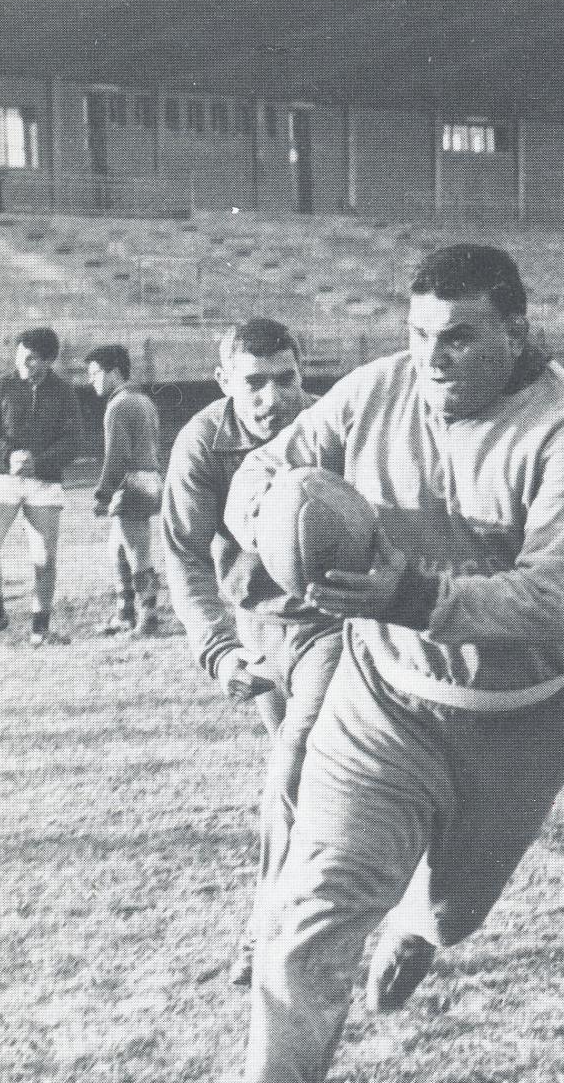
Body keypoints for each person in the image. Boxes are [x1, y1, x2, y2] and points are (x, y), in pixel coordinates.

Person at [198, 246, 564, 1083]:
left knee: (459, 902)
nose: (434, 358)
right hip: (384, 696)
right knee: (320, 893)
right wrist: (277, 513)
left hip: (525, 714)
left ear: (516, 330)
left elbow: (555, 595)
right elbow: (250, 483)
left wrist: (408, 594)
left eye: (461, 338)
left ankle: (427, 926)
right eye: (420, 334)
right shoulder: (373, 392)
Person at [162, 318, 428, 993]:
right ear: (225, 382)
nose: (271, 395)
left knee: (296, 765)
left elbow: (395, 521)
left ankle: (269, 930)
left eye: (285, 377)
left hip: (331, 625)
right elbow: (185, 557)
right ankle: (367, 909)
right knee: (312, 789)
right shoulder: (202, 443)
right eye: (253, 382)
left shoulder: (327, 428)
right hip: (257, 634)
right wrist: (218, 650)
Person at [0, 326, 82, 648]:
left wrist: (40, 463)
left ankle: (40, 628)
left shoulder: (64, 392)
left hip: (44, 484)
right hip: (2, 478)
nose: (23, 364)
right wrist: (7, 454)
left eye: (31, 359)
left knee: (44, 557)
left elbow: (74, 440)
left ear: (48, 360)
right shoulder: (0, 385)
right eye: (19, 356)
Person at [86, 344, 163, 637]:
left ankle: (148, 618)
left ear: (114, 373)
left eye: (95, 373)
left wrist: (103, 494)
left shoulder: (118, 405)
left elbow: (116, 456)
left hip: (132, 481)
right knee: (118, 549)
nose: (91, 380)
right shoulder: (143, 400)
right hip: (150, 477)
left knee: (136, 552)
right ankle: (125, 614)